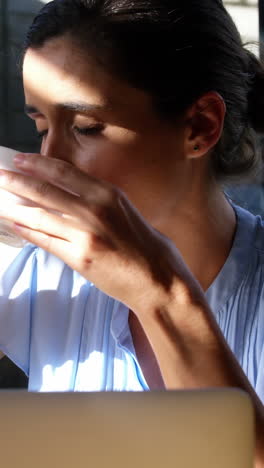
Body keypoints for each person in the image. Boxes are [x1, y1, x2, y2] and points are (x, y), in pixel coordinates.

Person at [0, 0, 263, 462]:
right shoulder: (41, 269)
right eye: (40, 124)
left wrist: (161, 296)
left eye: (87, 127)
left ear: (200, 126)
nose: (51, 159)